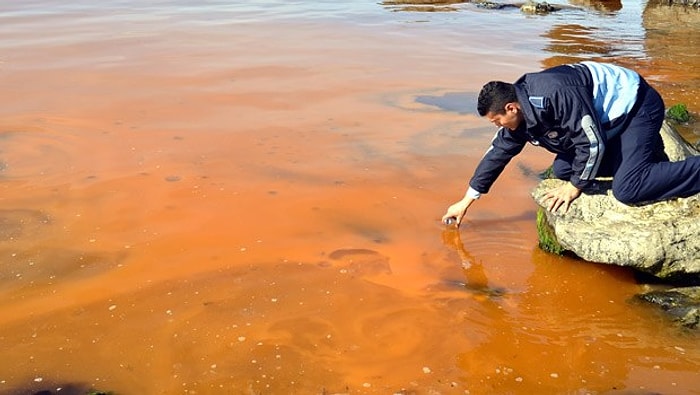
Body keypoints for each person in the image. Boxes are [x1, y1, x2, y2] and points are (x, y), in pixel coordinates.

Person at [442, 61, 700, 227]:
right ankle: (645, 162)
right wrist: (467, 200)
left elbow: (592, 141)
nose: (498, 126)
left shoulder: (556, 93)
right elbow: (497, 154)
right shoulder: (519, 112)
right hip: (605, 122)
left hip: (635, 105)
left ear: (511, 107)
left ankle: (660, 169)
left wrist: (575, 187)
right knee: (564, 170)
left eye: (497, 121)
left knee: (628, 189)